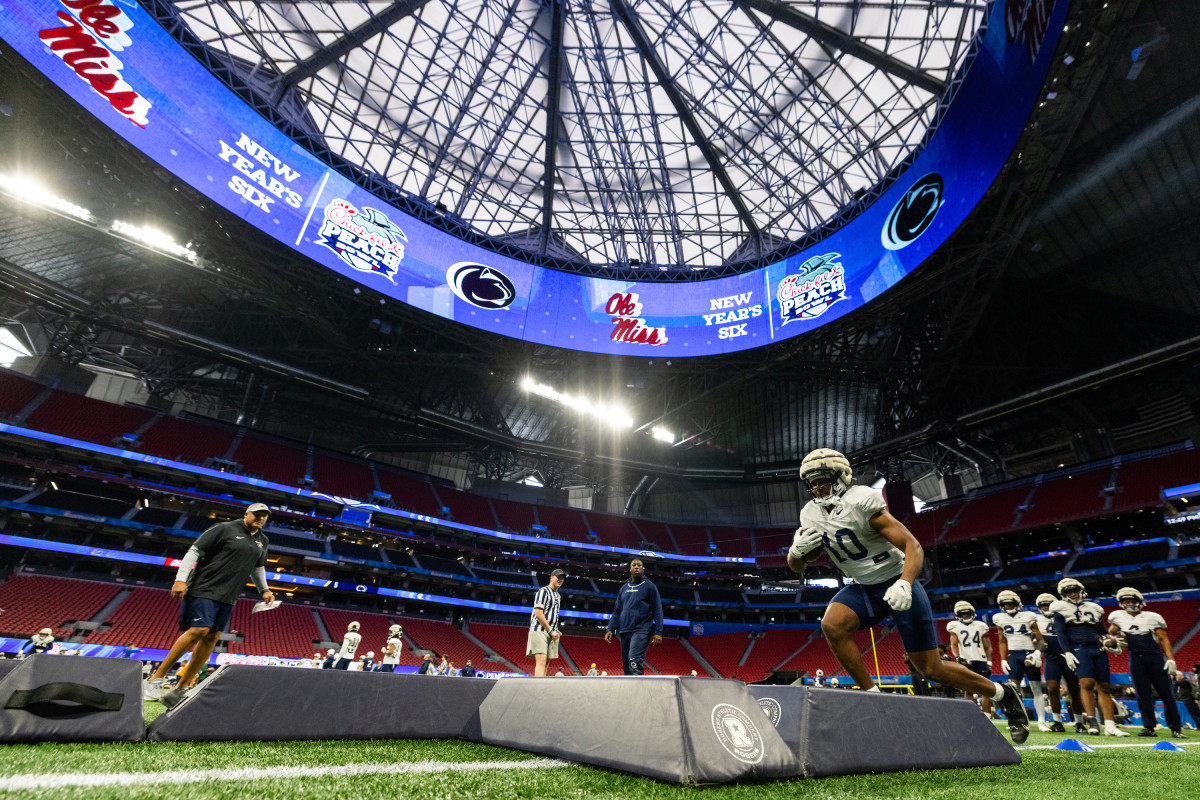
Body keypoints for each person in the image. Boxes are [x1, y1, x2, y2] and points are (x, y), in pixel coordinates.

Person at [787, 448, 1029, 743]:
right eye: (811, 483)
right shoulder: (810, 514)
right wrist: (795, 553)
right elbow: (800, 564)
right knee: (831, 624)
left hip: (896, 579)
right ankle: (874, 698)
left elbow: (913, 545)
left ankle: (1004, 693)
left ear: (840, 478)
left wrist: (904, 582)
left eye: (822, 480)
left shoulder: (860, 501)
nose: (816, 488)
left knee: (930, 668)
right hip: (863, 586)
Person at [149, 502, 273, 708]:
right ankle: (156, 679)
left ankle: (180, 688)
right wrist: (180, 579)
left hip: (229, 594)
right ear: (246, 514)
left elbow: (258, 568)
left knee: (212, 637)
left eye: (265, 516)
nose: (261, 518)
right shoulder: (224, 528)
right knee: (199, 629)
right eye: (257, 514)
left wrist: (265, 590)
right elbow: (194, 551)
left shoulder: (263, 540)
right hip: (204, 587)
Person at [1050, 578, 1128, 736]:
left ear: (1081, 590)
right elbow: (1061, 633)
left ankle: (1110, 725)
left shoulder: (1094, 608)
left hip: (1097, 648)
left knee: (1105, 686)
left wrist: (1109, 640)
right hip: (1079, 647)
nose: (1073, 594)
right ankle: (1092, 722)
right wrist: (1067, 652)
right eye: (1069, 592)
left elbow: (1102, 630)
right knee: (1086, 683)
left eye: (1075, 591)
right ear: (1063, 594)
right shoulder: (1060, 608)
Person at [1107, 587, 1185, 738]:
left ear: (1139, 602)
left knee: (1166, 693)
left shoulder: (1152, 616)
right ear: (1122, 603)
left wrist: (1170, 659)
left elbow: (1163, 639)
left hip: (1154, 656)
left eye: (1132, 601)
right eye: (1127, 601)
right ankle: (1149, 727)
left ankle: (1176, 728)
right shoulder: (1118, 617)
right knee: (1142, 694)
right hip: (1135, 657)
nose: (1130, 604)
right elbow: (1112, 632)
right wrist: (1116, 641)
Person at [993, 590, 1050, 731]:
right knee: (1013, 689)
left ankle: (1042, 721)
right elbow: (1001, 641)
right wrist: (1003, 660)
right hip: (1013, 655)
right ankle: (1018, 720)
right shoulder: (999, 619)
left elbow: (1041, 640)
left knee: (1036, 688)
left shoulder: (1029, 616)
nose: (1008, 606)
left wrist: (1037, 653)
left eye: (1010, 603)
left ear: (1017, 603)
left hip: (1029, 654)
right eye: (1005, 604)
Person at [1035, 592, 1085, 733]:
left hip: (1067, 657)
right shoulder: (1036, 620)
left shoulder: (1063, 615)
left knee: (1074, 690)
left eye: (1048, 605)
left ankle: (1079, 722)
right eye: (1043, 605)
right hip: (1051, 658)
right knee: (1052, 689)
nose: (1046, 607)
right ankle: (1057, 722)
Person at [604, 558, 663, 676]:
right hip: (624, 630)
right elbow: (617, 611)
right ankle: (630, 693)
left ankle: (639, 692)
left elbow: (658, 610)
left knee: (634, 660)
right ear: (630, 569)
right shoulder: (623, 588)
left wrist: (658, 632)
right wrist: (610, 628)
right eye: (634, 565)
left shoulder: (650, 587)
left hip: (642, 629)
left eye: (639, 565)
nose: (636, 567)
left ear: (643, 569)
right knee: (627, 668)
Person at [946, 601, 995, 715]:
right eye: (963, 614)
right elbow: (954, 644)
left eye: (968, 613)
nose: (966, 615)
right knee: (968, 689)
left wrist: (989, 663)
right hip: (966, 661)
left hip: (981, 659)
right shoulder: (955, 626)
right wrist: (958, 657)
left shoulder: (980, 625)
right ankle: (970, 715)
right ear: (958, 615)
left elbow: (988, 647)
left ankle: (987, 717)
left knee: (986, 690)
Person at [527, 568, 566, 677]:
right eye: (558, 577)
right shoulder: (543, 591)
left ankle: (541, 688)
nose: (560, 580)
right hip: (540, 630)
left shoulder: (558, 596)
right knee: (541, 662)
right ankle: (538, 689)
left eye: (562, 578)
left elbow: (552, 615)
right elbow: (538, 614)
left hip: (551, 632)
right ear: (551, 578)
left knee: (546, 664)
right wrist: (551, 630)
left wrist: (556, 630)